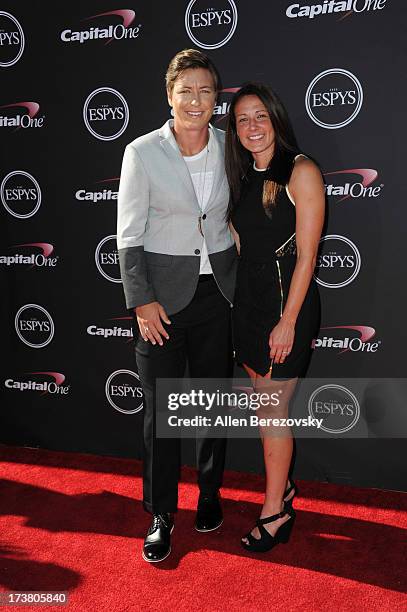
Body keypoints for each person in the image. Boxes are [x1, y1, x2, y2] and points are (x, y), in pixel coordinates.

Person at [117, 49, 237, 563]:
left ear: (217, 100)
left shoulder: (233, 148)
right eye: (185, 89)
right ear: (170, 96)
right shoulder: (142, 152)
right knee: (161, 415)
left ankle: (209, 495)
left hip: (220, 296)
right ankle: (161, 513)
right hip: (161, 304)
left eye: (205, 90)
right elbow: (128, 234)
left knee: (213, 404)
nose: (195, 99)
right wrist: (141, 301)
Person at [225, 82, 325, 553]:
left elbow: (307, 257)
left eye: (260, 116)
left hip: (287, 307)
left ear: (277, 118)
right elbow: (245, 245)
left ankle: (275, 513)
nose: (252, 127)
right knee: (265, 408)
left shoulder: (300, 170)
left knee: (271, 410)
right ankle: (282, 487)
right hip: (249, 304)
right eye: (242, 119)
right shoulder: (244, 176)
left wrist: (287, 321)